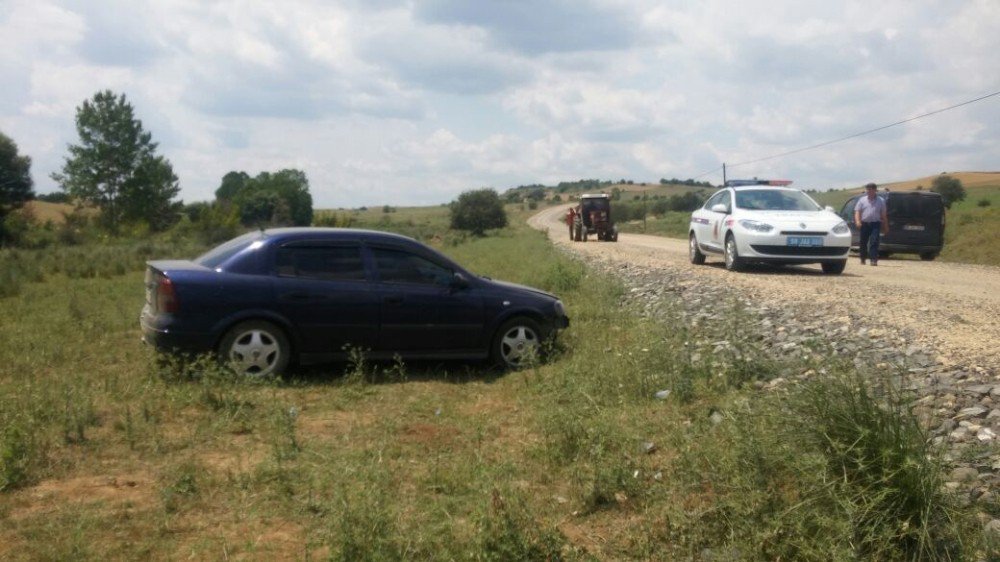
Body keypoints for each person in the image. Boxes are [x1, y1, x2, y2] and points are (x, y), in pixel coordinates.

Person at [854, 182, 889, 265]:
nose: (868, 191)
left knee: (874, 241)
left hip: (875, 224)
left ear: (875, 190)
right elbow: (857, 212)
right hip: (864, 224)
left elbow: (883, 214)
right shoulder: (862, 200)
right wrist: (858, 221)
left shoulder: (881, 201)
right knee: (863, 242)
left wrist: (886, 226)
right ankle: (863, 258)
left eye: (870, 189)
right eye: (868, 189)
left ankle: (873, 259)